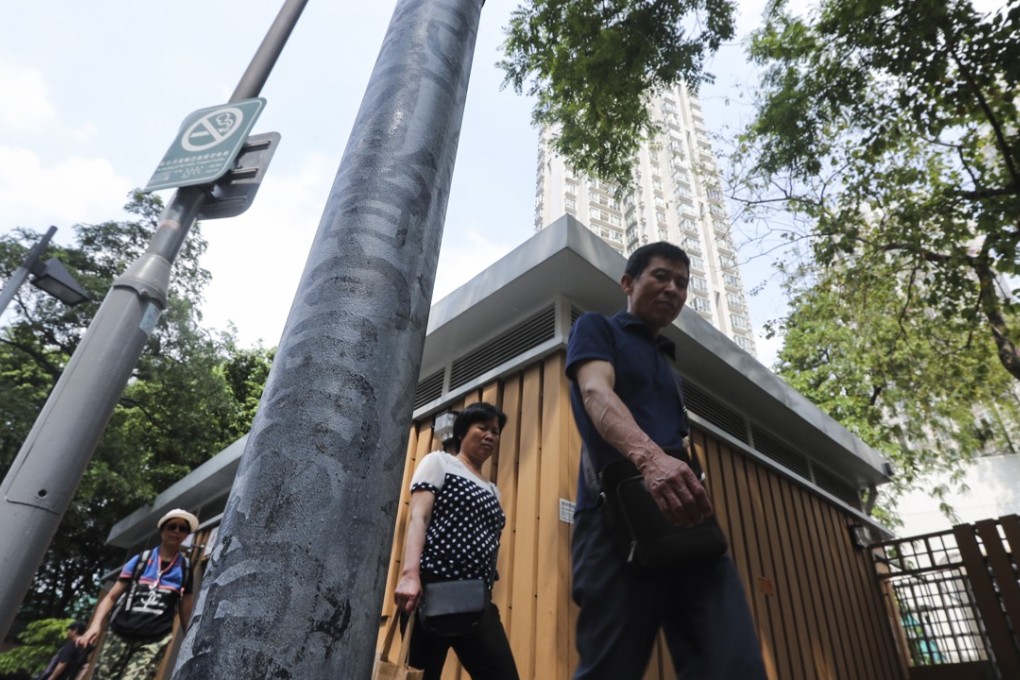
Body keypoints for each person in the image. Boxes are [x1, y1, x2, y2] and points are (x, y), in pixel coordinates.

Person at [566, 241, 767, 679]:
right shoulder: (596, 328)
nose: (673, 288)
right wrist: (651, 461)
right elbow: (595, 393)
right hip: (614, 521)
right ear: (628, 282)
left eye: (682, 282)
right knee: (610, 668)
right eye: (661, 276)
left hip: (689, 519)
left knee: (734, 661)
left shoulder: (670, 368)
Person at [394, 402, 520, 680]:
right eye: (482, 427)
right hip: (431, 590)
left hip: (476, 598)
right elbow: (419, 517)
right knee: (421, 675)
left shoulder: (492, 491)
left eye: (495, 431)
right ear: (462, 432)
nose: (490, 436)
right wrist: (410, 575)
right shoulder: (440, 462)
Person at [78, 509, 198, 680]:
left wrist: (190, 636)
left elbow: (186, 605)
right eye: (172, 526)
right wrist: (95, 625)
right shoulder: (141, 560)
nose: (177, 531)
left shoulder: (185, 568)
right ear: (162, 530)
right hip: (120, 633)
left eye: (183, 528)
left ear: (186, 535)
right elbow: (111, 597)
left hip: (155, 639)